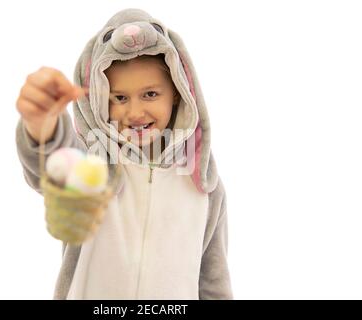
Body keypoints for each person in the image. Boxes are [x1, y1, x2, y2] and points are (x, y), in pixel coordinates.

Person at [16, 8, 232, 299]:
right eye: (119, 98)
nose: (134, 112)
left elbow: (212, 280)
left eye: (150, 94)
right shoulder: (95, 167)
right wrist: (42, 124)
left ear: (178, 93)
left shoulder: (203, 185)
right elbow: (52, 162)